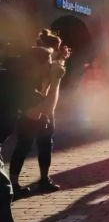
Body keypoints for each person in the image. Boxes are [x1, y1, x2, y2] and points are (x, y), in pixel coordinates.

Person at [10, 31, 69, 197]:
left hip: (40, 109)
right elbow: (46, 104)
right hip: (33, 110)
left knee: (44, 144)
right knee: (24, 145)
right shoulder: (28, 81)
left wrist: (58, 67)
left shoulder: (41, 66)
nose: (52, 61)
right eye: (50, 57)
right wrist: (55, 80)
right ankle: (13, 184)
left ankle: (43, 179)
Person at [0, 47, 40, 222]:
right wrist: (56, 80)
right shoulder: (15, 82)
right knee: (2, 188)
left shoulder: (8, 77)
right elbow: (40, 112)